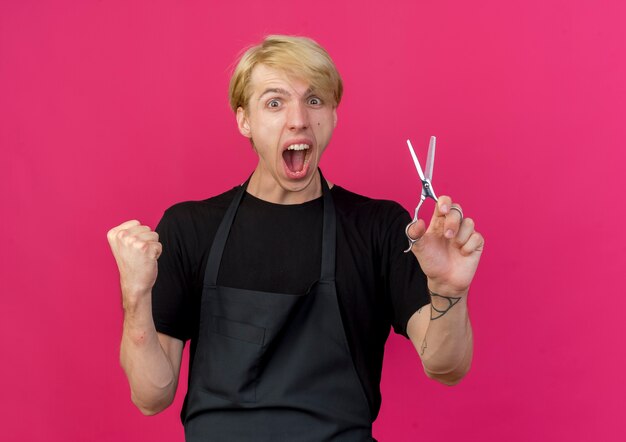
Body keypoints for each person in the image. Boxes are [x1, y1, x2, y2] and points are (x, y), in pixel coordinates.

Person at [107, 35, 484, 441]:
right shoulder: (190, 228)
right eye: (275, 102)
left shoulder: (378, 227)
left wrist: (448, 291)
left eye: (315, 100)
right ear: (244, 120)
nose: (299, 119)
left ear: (334, 116)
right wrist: (136, 295)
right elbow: (151, 396)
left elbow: (447, 366)